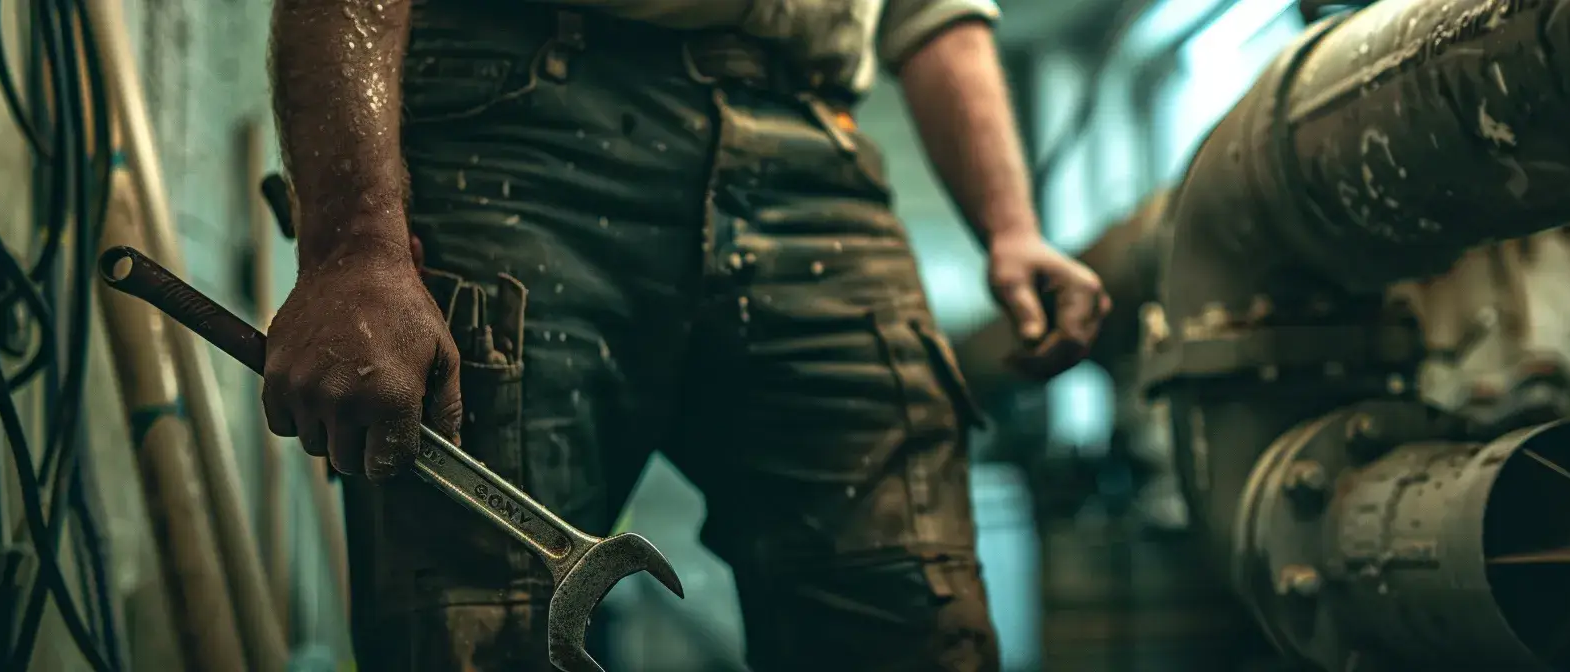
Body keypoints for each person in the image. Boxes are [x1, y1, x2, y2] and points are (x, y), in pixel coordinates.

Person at [265, 0, 1110, 669]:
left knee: (909, 617)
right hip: (512, 117)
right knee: (482, 629)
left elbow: (938, 16)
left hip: (814, 142)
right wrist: (348, 242)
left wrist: (1011, 227)